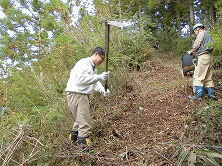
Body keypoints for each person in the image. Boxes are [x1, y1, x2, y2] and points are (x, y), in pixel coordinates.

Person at [65, 47, 110, 150]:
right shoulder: (84, 63)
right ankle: (84, 150)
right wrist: (99, 77)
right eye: (102, 58)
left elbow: (94, 82)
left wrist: (103, 90)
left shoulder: (92, 67)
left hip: (79, 95)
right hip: (77, 95)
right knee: (85, 123)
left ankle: (72, 146)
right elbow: (82, 79)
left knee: (79, 121)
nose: (102, 61)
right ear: (96, 54)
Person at [187, 23, 216, 101]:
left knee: (198, 76)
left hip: (203, 57)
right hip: (210, 57)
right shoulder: (209, 35)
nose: (195, 33)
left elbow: (196, 45)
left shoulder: (201, 33)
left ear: (198, 29)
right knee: (208, 77)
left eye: (195, 32)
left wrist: (191, 51)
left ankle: (198, 96)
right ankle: (211, 96)